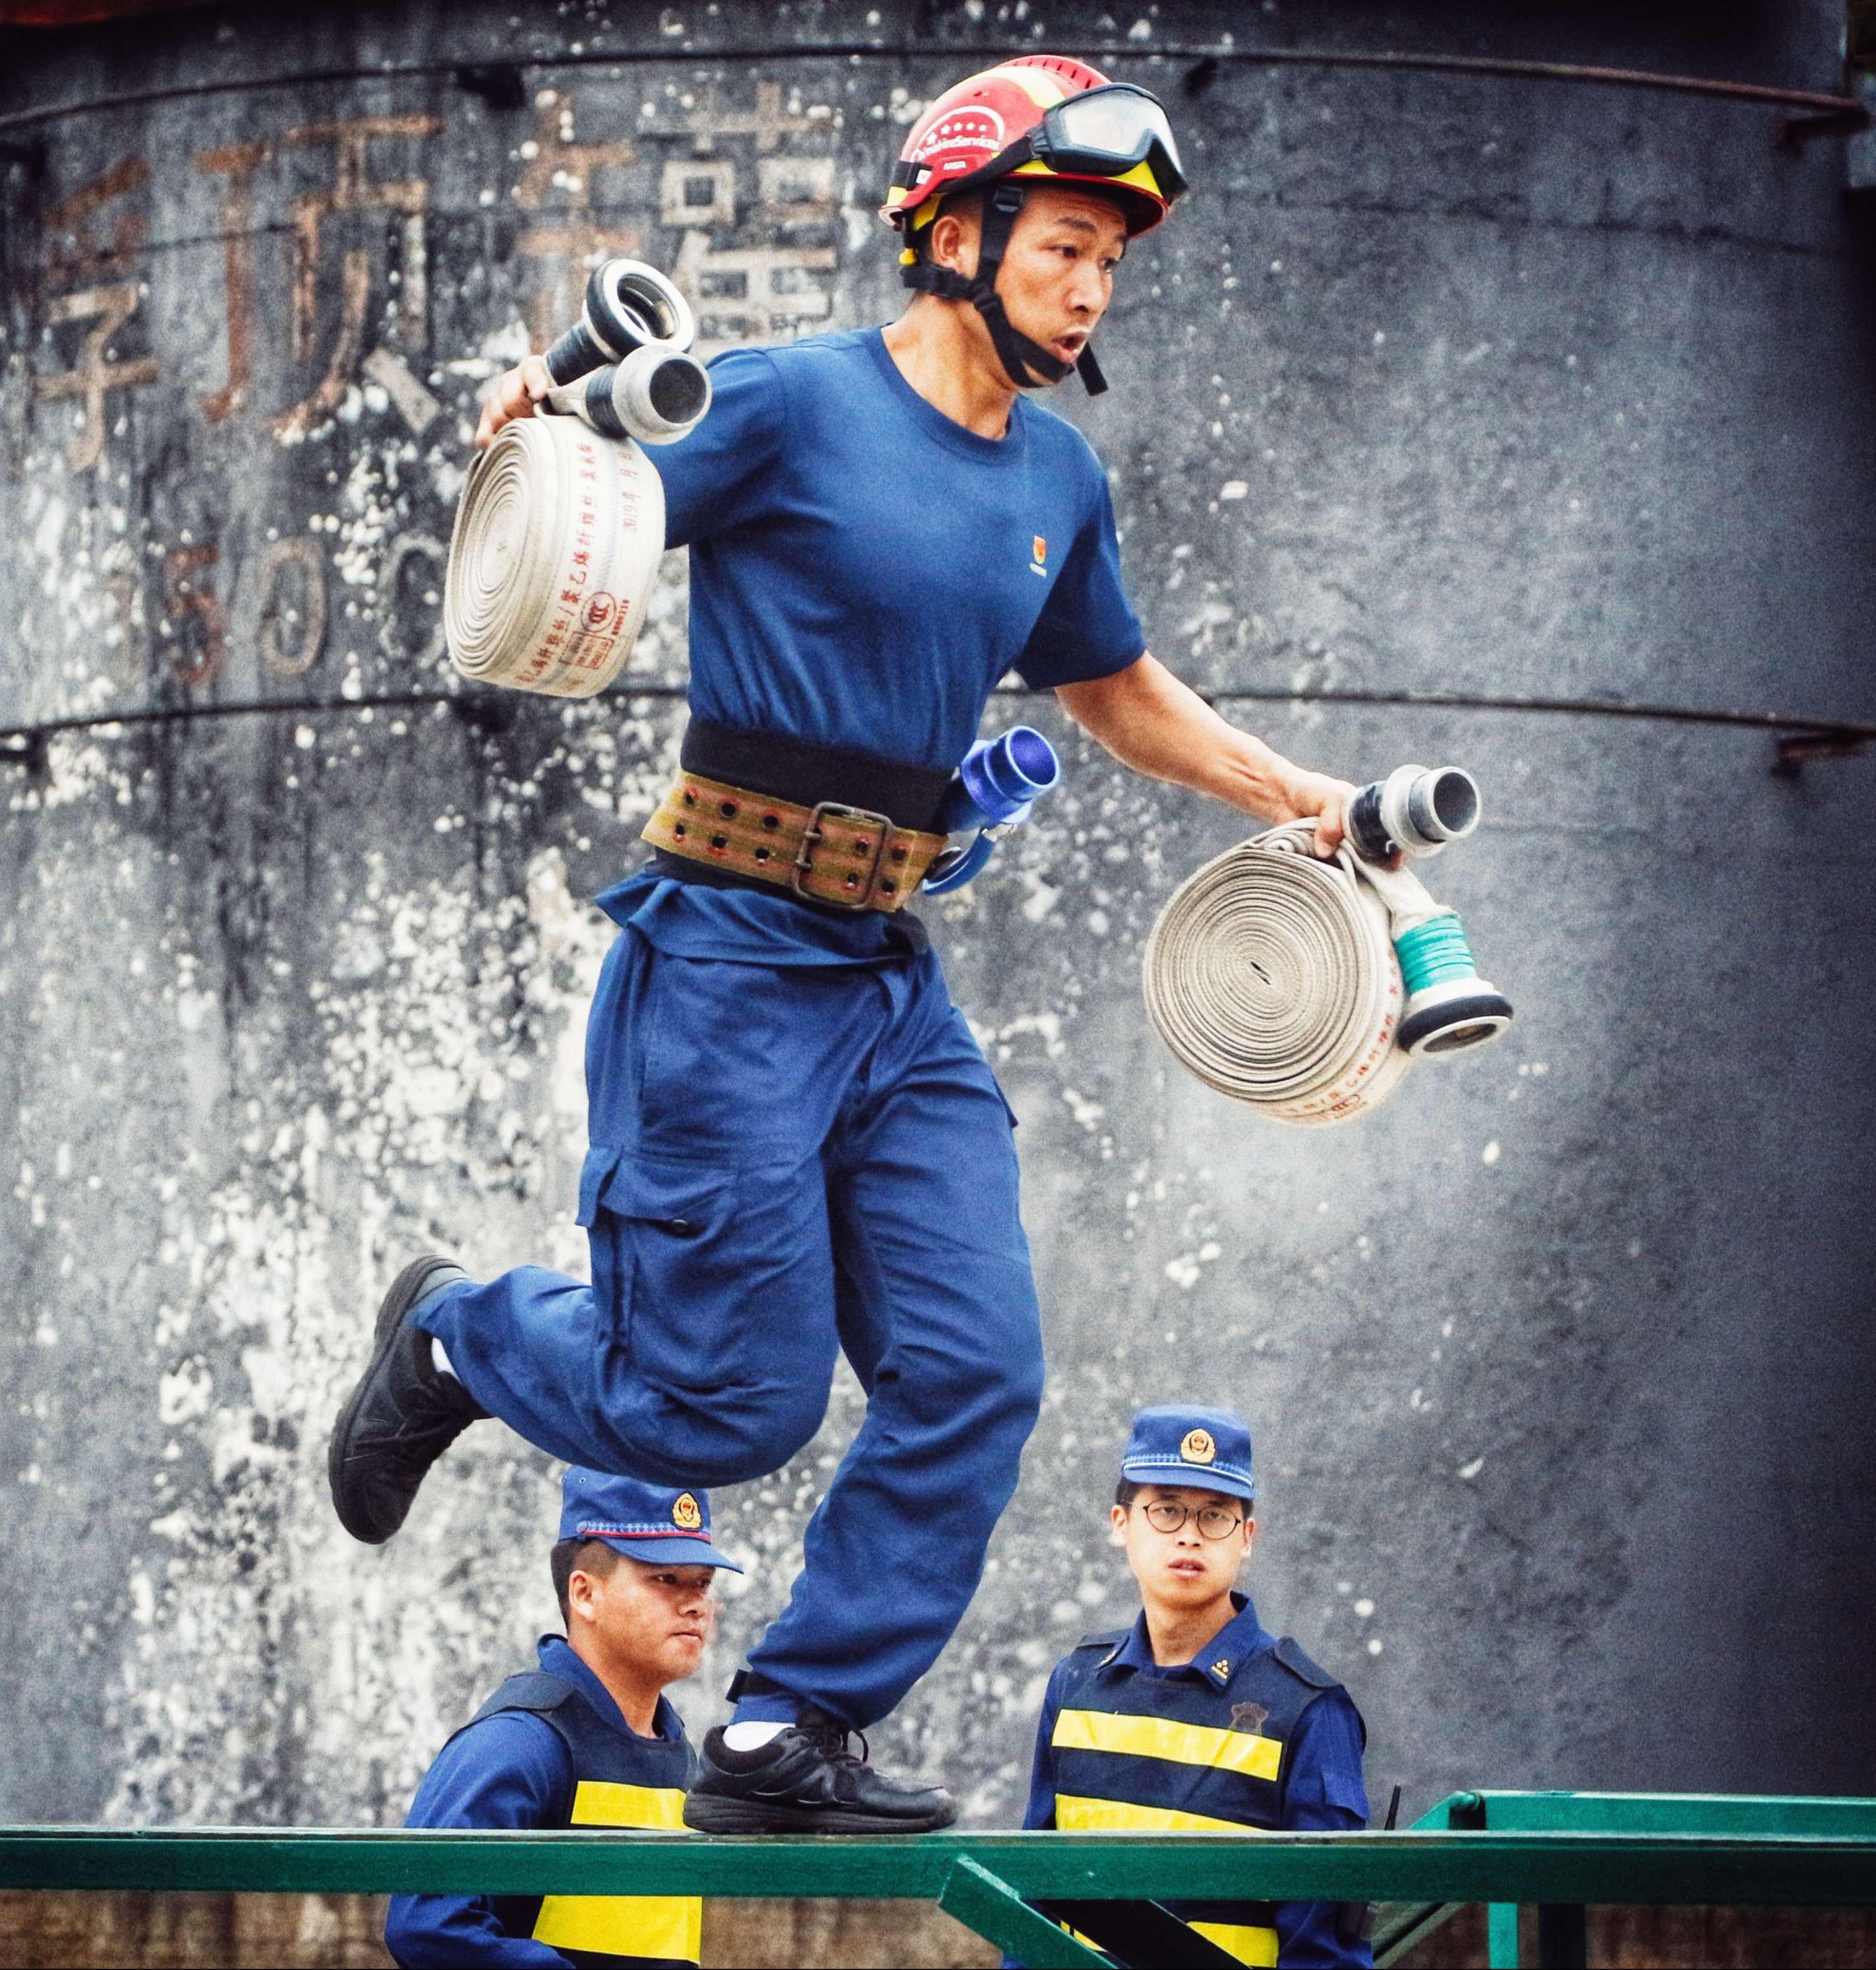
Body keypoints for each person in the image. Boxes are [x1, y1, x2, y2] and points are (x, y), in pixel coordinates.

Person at [332, 56, 1368, 1834]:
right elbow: (568, 519)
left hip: (885, 984)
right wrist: (535, 416)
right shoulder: (788, 407)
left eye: (1109, 260)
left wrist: (1298, 798)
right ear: (951, 234)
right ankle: (456, 1333)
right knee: (724, 1405)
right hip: (720, 962)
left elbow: (1108, 685)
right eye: (1059, 244)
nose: (1088, 283)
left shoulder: (1053, 473)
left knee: (974, 1370)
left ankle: (783, 1724)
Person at [1020, 1405, 1370, 1969]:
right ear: (1120, 1523)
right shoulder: (1075, 1684)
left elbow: (1323, 1955)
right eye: (1166, 1511)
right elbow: (1033, 1909)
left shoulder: (1306, 1709)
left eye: (1214, 1516)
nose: (1189, 1536)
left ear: (1246, 1537)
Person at [385, 1468, 739, 1969]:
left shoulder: (674, 1744)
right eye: (665, 1579)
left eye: (702, 1583)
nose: (696, 1605)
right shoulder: (520, 1742)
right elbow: (426, 1925)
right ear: (585, 1594)